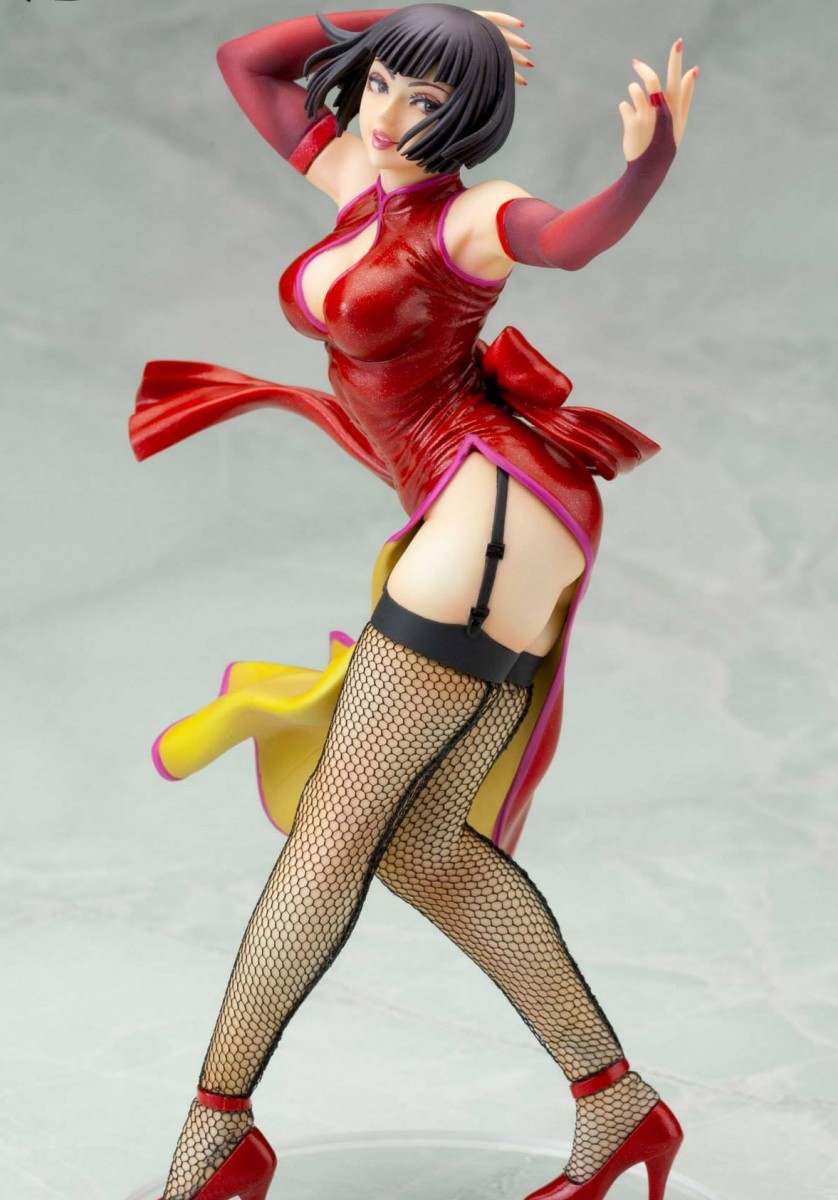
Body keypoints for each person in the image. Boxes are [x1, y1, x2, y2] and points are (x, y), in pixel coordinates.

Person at [130, 7, 698, 1199]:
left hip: (494, 503)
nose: (389, 116)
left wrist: (647, 165)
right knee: (424, 850)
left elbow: (571, 239)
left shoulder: (471, 218)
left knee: (336, 829)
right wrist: (390, 19)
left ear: (468, 119)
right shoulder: (354, 175)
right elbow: (247, 62)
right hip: (463, 508)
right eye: (381, 83)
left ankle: (216, 1135)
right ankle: (619, 1106)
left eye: (426, 101)